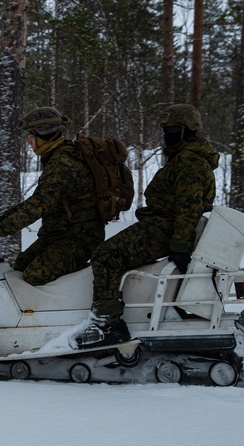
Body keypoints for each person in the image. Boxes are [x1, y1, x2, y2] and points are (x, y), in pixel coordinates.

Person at [76, 103, 220, 348]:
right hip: (161, 225)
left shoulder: (189, 161)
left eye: (173, 129)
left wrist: (180, 246)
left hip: (164, 228)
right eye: (165, 129)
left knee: (106, 255)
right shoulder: (184, 157)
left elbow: (189, 206)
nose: (167, 135)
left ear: (188, 130)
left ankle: (106, 324)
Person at [0, 106, 105, 286]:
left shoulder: (62, 164)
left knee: (36, 274)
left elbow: (39, 206)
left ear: (43, 136)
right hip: (60, 234)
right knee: (20, 267)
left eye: (31, 137)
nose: (29, 142)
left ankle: (73, 305)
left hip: (80, 238)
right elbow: (37, 200)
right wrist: (0, 223)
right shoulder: (57, 157)